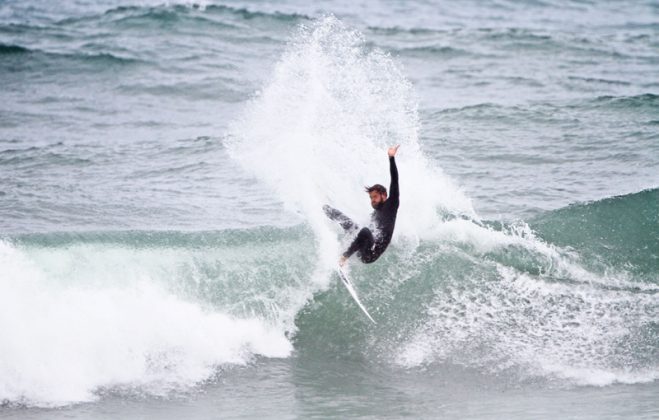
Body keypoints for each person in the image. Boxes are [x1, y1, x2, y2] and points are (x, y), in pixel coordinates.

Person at [323, 145, 400, 265]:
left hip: (370, 254)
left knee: (364, 231)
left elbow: (394, 180)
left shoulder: (391, 205)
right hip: (363, 247)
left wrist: (391, 158)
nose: (372, 200)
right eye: (370, 198)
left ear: (384, 195)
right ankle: (322, 207)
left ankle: (344, 258)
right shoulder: (376, 212)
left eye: (375, 197)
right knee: (346, 221)